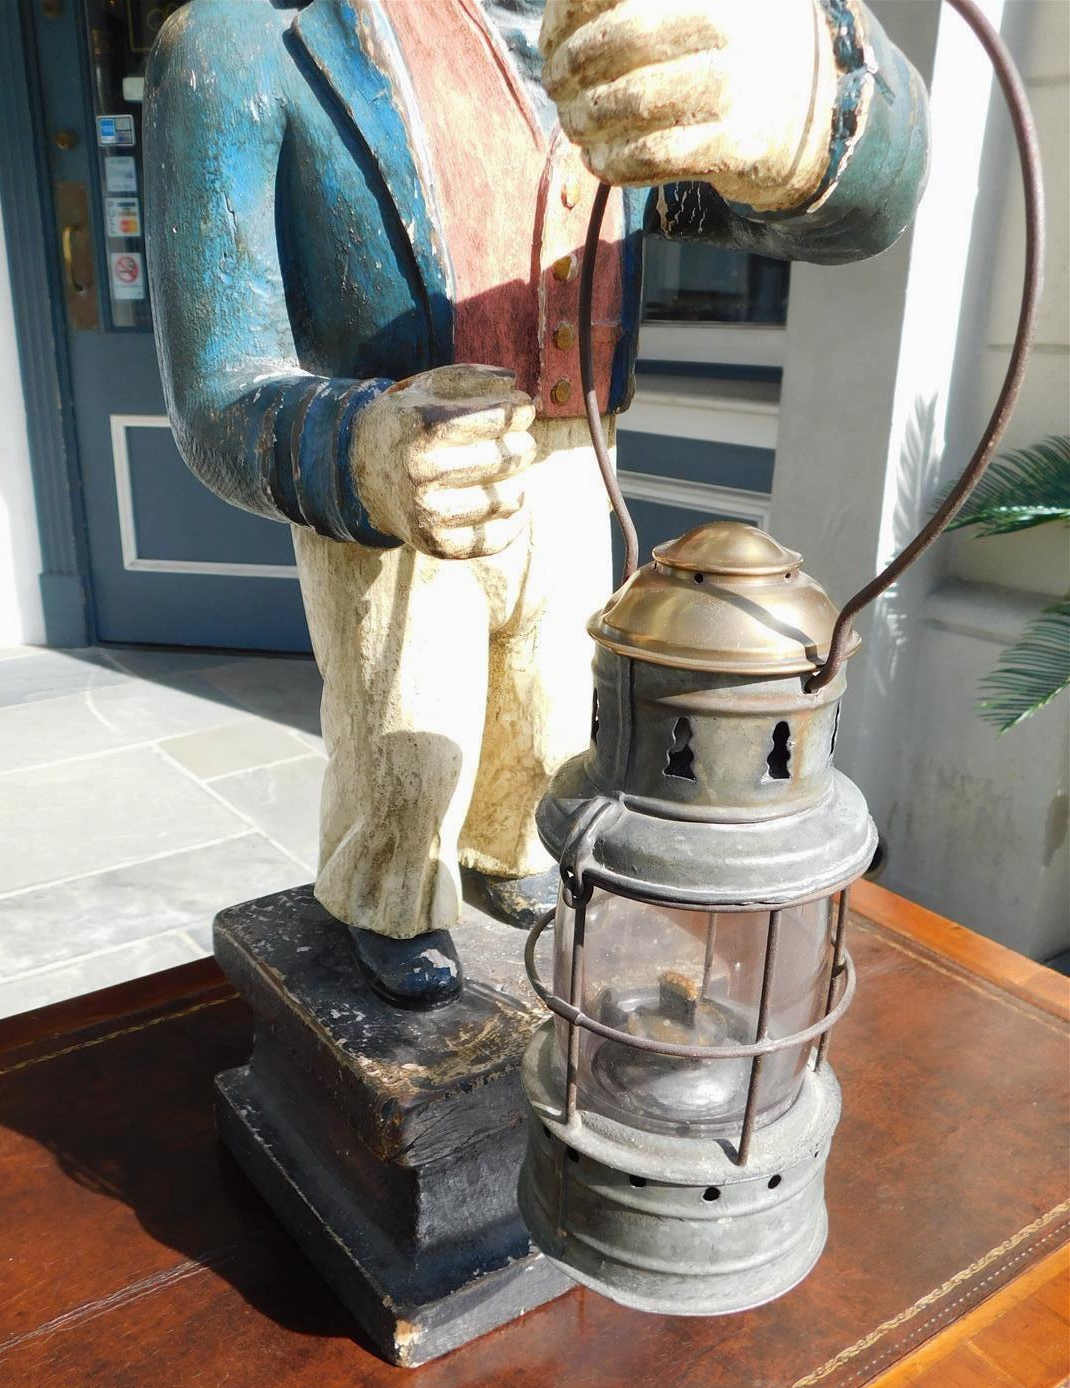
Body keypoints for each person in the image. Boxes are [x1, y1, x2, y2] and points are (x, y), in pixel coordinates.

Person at [145, 0, 928, 1007]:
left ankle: (514, 848)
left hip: (573, 451)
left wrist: (812, 100)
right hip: (404, 464)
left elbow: (813, 203)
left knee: (556, 698)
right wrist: (364, 450)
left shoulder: (621, 31)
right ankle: (390, 898)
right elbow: (218, 387)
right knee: (406, 731)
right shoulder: (240, 41)